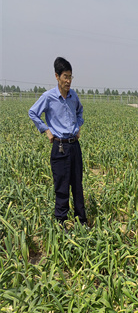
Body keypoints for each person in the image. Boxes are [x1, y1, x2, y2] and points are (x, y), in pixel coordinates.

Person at [29, 57, 87, 227]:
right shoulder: (48, 97)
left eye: (70, 77)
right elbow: (33, 112)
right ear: (57, 76)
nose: (68, 81)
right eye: (65, 77)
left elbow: (80, 111)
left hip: (74, 146)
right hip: (60, 146)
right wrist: (46, 130)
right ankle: (60, 225)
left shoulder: (73, 96)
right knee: (61, 187)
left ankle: (81, 222)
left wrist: (78, 127)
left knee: (77, 185)